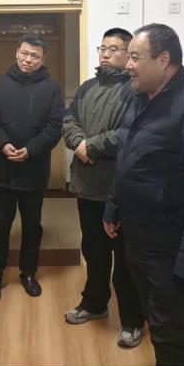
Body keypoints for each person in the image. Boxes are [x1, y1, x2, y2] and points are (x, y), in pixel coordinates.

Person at [103, 23, 184, 366]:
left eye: (135, 57)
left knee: (174, 337)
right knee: (158, 326)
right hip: (139, 243)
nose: (127, 65)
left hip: (172, 253)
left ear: (163, 60)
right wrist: (113, 206)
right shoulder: (140, 98)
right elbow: (127, 158)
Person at [62, 28, 146, 348]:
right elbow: (69, 120)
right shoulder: (87, 87)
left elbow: (128, 133)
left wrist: (90, 147)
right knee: (94, 253)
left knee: (125, 260)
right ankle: (94, 304)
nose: (106, 54)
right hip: (87, 187)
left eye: (114, 48)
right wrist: (78, 143)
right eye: (103, 48)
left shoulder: (135, 90)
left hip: (119, 191)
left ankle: (132, 320)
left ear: (129, 54)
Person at [0, 33, 65, 302]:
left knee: (32, 225)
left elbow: (54, 127)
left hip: (34, 169)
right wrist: (3, 144)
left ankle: (28, 273)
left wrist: (30, 150)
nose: (28, 60)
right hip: (2, 168)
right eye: (25, 53)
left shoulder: (52, 88)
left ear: (43, 59)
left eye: (35, 56)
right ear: (17, 53)